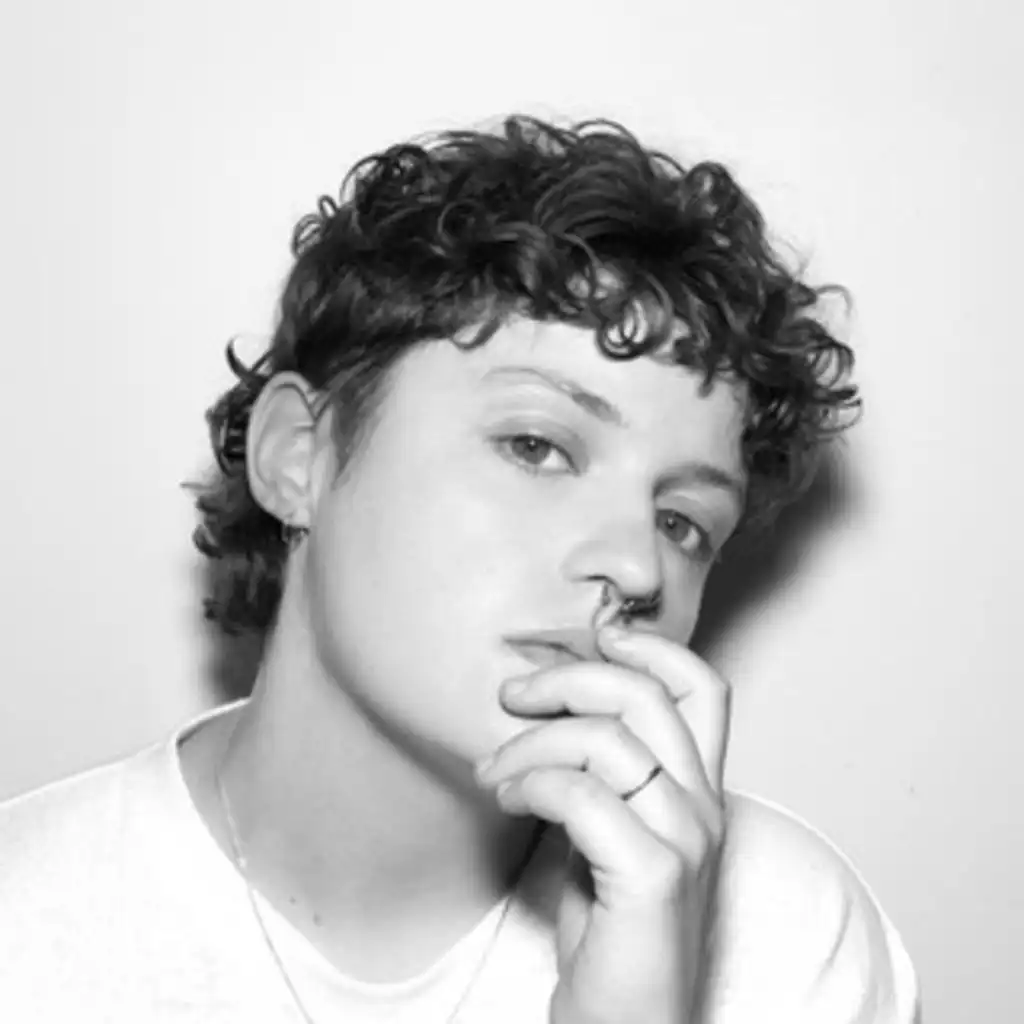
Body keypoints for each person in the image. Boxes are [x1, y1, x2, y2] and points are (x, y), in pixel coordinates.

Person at [0, 115, 921, 1022]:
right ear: (298, 456)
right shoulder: (26, 922)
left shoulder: (791, 939)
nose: (638, 565)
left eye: (682, 522)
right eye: (536, 446)